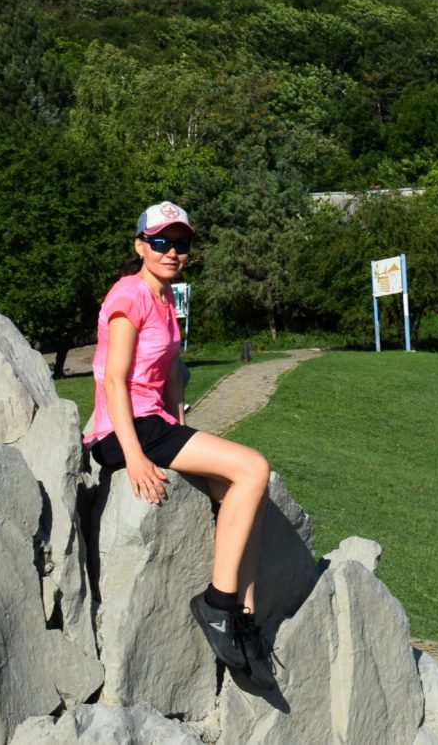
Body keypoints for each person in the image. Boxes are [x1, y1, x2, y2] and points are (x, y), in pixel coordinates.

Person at [83, 200, 277, 690]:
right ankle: (216, 603)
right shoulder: (130, 294)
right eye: (161, 242)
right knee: (254, 467)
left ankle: (243, 617)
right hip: (125, 429)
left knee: (246, 494)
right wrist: (134, 456)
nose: (172, 252)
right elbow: (114, 382)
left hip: (158, 424)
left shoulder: (166, 299)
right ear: (140, 245)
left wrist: (184, 422)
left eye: (182, 244)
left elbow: (169, 377)